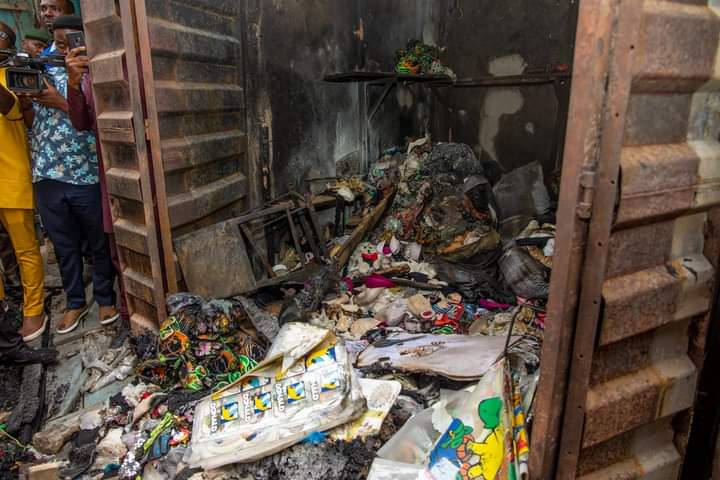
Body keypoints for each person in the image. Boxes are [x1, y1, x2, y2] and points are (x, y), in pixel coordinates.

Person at [27, 15, 119, 334]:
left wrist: (62, 97)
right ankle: (75, 303)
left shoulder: (91, 69)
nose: (64, 49)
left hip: (86, 171)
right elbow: (25, 119)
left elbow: (92, 119)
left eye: (71, 42)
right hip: (46, 172)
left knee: (98, 242)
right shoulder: (35, 69)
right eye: (60, 43)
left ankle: (106, 298)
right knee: (64, 247)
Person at [0, 22, 57, 364]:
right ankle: (7, 313)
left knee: (26, 251)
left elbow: (10, 107)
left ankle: (34, 310)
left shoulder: (13, 76)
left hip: (10, 178)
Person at [66, 38, 131, 325]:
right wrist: (73, 83)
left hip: (142, 164)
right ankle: (131, 317)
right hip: (114, 173)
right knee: (119, 248)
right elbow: (81, 122)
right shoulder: (90, 79)